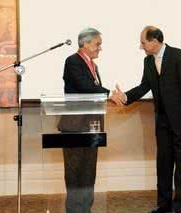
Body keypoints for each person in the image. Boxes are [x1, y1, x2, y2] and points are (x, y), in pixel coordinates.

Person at [111, 26, 181, 213]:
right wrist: (125, 97)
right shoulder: (148, 62)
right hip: (163, 122)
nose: (141, 46)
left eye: (143, 42)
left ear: (155, 41)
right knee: (164, 164)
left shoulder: (178, 56)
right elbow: (144, 86)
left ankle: (178, 208)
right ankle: (163, 205)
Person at [59, 27, 110, 213]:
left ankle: (86, 209)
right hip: (74, 126)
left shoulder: (94, 66)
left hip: (92, 125)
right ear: (86, 43)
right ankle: (74, 210)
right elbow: (85, 87)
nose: (100, 48)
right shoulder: (72, 61)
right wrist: (110, 94)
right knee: (74, 172)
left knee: (89, 171)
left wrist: (109, 95)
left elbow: (94, 90)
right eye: (97, 44)